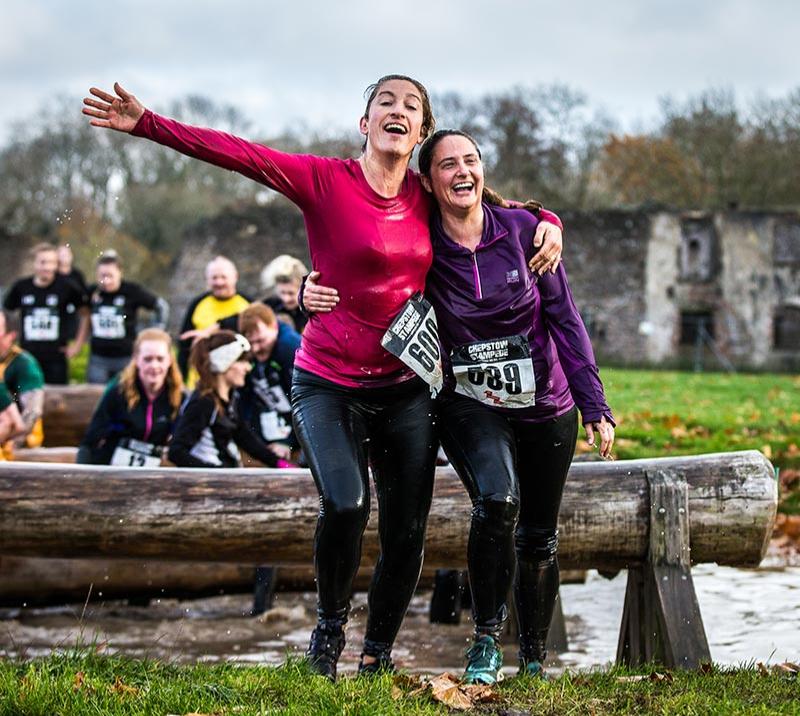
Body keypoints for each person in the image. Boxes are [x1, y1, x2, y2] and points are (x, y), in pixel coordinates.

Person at [83, 76, 563, 680]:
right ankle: (330, 632)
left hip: (407, 386)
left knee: (406, 531)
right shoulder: (323, 180)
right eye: (384, 102)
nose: (397, 111)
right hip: (328, 379)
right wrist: (149, 122)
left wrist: (550, 218)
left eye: (411, 107)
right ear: (365, 124)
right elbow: (238, 153)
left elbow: (497, 210)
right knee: (345, 503)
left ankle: (376, 655)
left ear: (420, 133)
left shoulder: (425, 192)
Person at [304, 129, 613, 683]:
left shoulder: (524, 232)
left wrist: (595, 405)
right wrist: (310, 288)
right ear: (430, 179)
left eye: (471, 160)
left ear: (483, 170)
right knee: (497, 500)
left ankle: (536, 659)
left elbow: (565, 317)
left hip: (547, 403)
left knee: (540, 536)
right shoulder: (421, 236)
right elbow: (364, 255)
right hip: (472, 404)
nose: (462, 171)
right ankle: (487, 642)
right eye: (448, 164)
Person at [168, 330, 281, 468]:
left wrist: (282, 465)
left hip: (225, 478)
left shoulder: (230, 398)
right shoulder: (203, 402)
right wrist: (212, 474)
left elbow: (246, 439)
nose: (247, 367)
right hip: (212, 484)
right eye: (241, 361)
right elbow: (176, 451)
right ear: (223, 363)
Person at [77, 328, 184, 465]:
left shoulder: (178, 397)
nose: (154, 365)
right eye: (147, 359)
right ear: (136, 360)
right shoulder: (117, 393)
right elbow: (90, 441)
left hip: (154, 474)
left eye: (160, 359)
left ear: (169, 360)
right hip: (112, 470)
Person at [3, 243, 89, 384]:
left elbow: (86, 313)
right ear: (34, 264)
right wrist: (9, 341)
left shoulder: (67, 287)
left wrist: (77, 345)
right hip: (27, 356)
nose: (47, 267)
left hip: (56, 358)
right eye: (43, 262)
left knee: (55, 401)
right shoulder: (21, 287)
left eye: (52, 263)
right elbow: (6, 313)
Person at [87, 251, 170, 384]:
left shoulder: (132, 291)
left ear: (120, 272)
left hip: (125, 358)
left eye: (110, 276)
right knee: (96, 398)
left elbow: (161, 307)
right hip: (98, 359)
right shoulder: (92, 292)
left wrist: (156, 332)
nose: (106, 281)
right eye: (102, 276)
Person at [237, 302, 301, 466]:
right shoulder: (250, 351)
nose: (257, 349)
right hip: (271, 425)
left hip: (300, 430)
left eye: (261, 340)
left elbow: (305, 403)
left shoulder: (290, 349)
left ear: (274, 327)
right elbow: (247, 399)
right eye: (252, 343)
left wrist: (289, 442)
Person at [177, 256, 251, 380]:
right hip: (199, 379)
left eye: (223, 277)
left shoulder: (247, 304)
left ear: (235, 277)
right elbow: (184, 345)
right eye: (214, 278)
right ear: (207, 280)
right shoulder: (198, 303)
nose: (219, 282)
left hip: (238, 379)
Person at [0, 310, 46, 454]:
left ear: (10, 335)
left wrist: (13, 442)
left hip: (16, 438)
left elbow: (32, 411)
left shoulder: (24, 364)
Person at [260, 255, 309, 333]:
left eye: (291, 293)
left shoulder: (310, 312)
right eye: (282, 292)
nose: (286, 299)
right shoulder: (269, 307)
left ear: (302, 289)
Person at [57, 244, 89, 342]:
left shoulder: (77, 275)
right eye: (60, 255)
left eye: (65, 255)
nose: (63, 258)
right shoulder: (53, 275)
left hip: (75, 313)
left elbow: (84, 293)